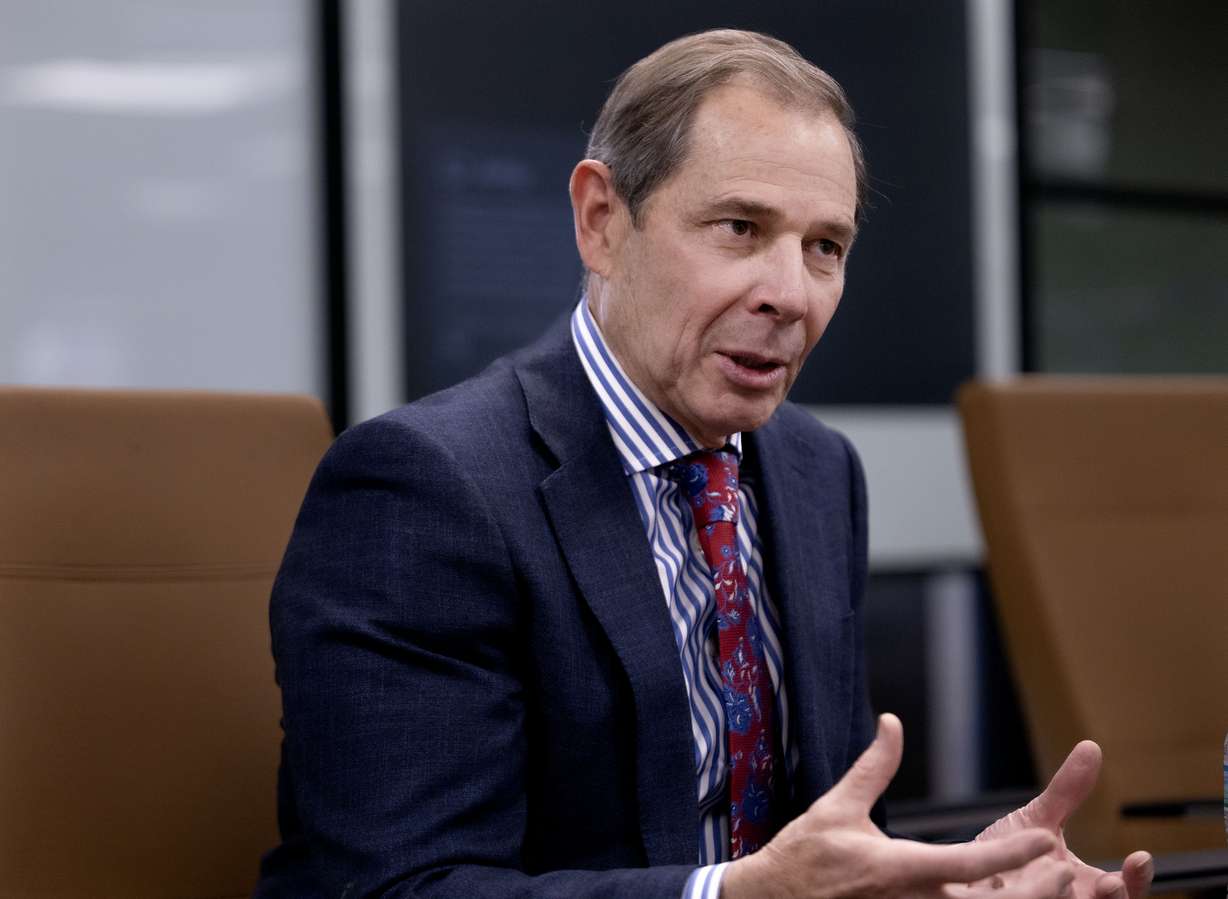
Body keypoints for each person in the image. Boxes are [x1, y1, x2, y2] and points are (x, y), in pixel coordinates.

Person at [257, 29, 1153, 899]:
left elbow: (813, 844)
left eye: (824, 247)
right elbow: (404, 885)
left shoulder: (815, 472)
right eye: (739, 227)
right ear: (602, 221)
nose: (790, 294)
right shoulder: (425, 486)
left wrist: (935, 880)